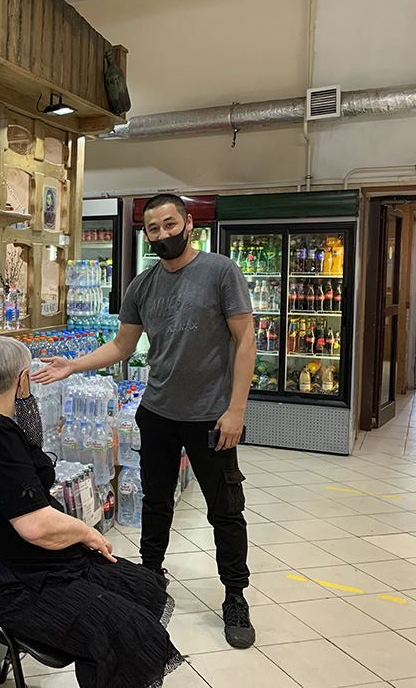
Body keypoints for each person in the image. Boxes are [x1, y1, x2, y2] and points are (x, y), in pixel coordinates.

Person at [32, 193, 257, 649]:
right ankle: (151, 578)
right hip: (156, 413)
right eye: (153, 229)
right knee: (155, 503)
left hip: (211, 417)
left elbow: (246, 338)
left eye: (170, 224)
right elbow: (122, 346)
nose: (163, 234)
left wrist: (236, 409)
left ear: (188, 224)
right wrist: (73, 365)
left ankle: (235, 595)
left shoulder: (220, 272)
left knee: (225, 510)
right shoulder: (142, 286)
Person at [0, 337, 182, 688]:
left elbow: (34, 462)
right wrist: (87, 532)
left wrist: (24, 405)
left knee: (142, 587)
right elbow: (36, 527)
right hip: (2, 583)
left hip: (21, 561)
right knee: (123, 628)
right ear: (23, 379)